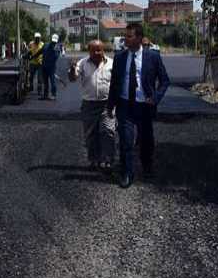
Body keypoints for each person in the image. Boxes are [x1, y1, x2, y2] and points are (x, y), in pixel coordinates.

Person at [106, 22, 170, 188]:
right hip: (125, 105)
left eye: (129, 36)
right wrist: (110, 105)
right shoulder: (120, 57)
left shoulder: (153, 57)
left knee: (146, 140)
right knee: (126, 141)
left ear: (139, 38)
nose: (125, 39)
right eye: (125, 36)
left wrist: (155, 98)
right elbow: (114, 83)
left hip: (145, 107)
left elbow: (165, 81)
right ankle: (127, 172)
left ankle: (147, 167)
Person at [69, 40, 116, 170]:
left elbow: (118, 82)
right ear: (88, 51)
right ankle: (94, 160)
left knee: (108, 131)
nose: (97, 53)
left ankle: (108, 160)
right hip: (89, 104)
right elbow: (73, 78)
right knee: (91, 134)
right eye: (93, 50)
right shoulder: (82, 63)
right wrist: (72, 69)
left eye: (99, 50)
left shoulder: (112, 63)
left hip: (107, 104)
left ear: (103, 50)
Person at [41, 34, 62, 100]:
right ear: (51, 39)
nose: (54, 42)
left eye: (55, 41)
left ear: (57, 41)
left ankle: (53, 95)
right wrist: (32, 56)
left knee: (52, 81)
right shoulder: (45, 45)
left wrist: (54, 50)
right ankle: (45, 95)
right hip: (44, 67)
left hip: (51, 68)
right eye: (53, 41)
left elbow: (56, 57)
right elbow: (40, 52)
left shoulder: (57, 48)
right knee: (45, 82)